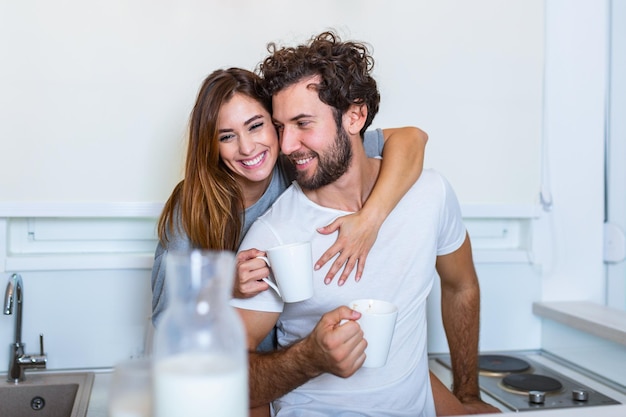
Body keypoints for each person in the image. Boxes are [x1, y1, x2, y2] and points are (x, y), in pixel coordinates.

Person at [231, 31, 500, 416]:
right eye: (280, 127)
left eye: (303, 123)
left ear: (355, 117)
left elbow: (461, 286)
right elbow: (229, 373)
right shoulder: (274, 234)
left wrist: (468, 395)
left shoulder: (429, 193)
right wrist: (309, 358)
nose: (287, 145)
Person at [150, 68, 428, 328]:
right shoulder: (192, 206)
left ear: (276, 125)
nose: (247, 148)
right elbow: (166, 319)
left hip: (292, 352)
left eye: (256, 126)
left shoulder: (300, 162)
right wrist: (225, 285)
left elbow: (411, 138)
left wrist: (370, 220)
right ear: (211, 145)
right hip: (233, 361)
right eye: (226, 136)